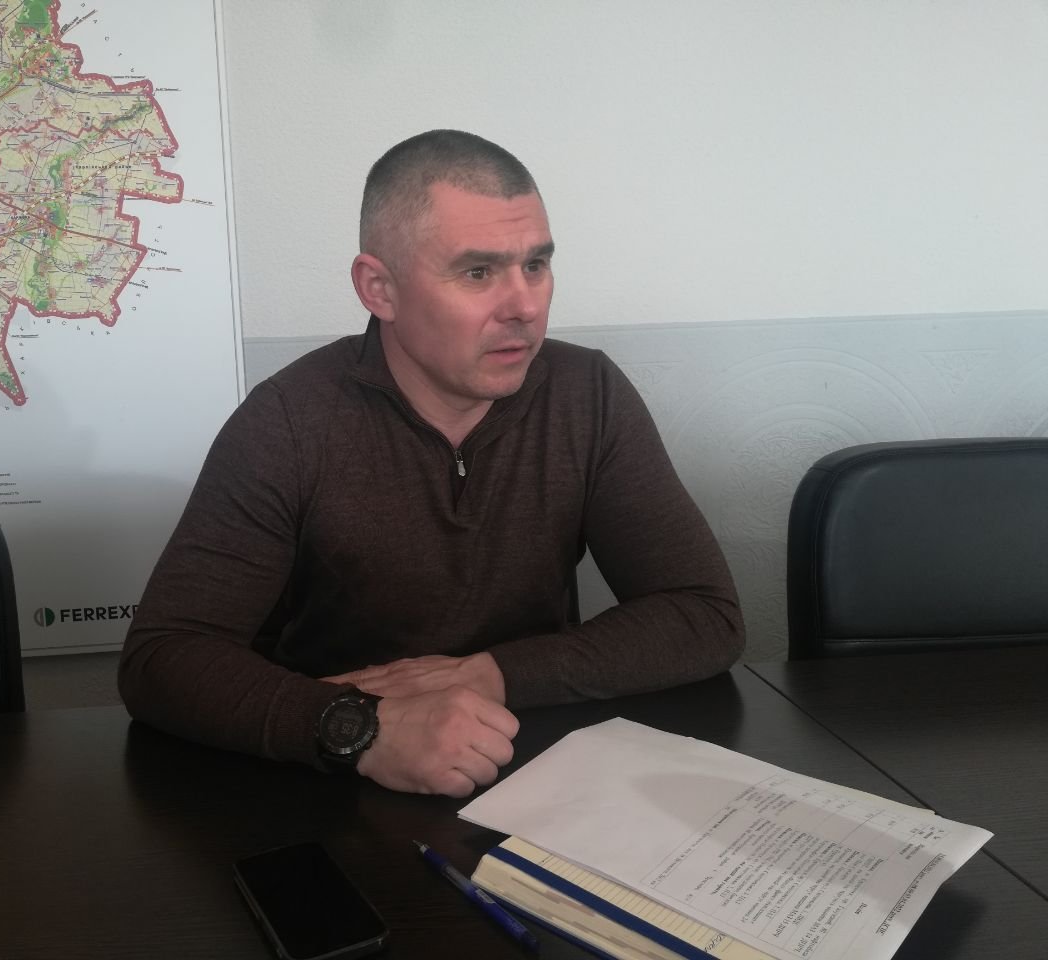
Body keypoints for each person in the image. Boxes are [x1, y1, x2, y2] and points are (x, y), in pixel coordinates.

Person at [119, 130, 744, 798]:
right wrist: (359, 728)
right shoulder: (289, 421)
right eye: (478, 273)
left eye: (536, 265)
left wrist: (492, 673)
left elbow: (703, 614)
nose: (525, 306)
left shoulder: (587, 394)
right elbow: (163, 658)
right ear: (379, 289)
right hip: (331, 785)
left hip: (529, 766)